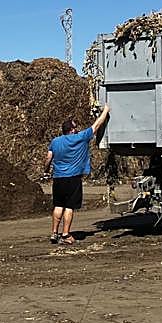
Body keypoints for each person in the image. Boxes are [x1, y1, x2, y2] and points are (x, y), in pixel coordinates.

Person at [46, 103, 110, 244]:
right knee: (69, 207)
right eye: (75, 128)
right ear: (71, 130)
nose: (76, 130)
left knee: (58, 205)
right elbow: (96, 126)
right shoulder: (80, 138)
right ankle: (65, 235)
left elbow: (49, 157)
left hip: (58, 178)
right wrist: (105, 111)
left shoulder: (55, 141)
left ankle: (53, 233)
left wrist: (46, 170)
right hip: (73, 179)